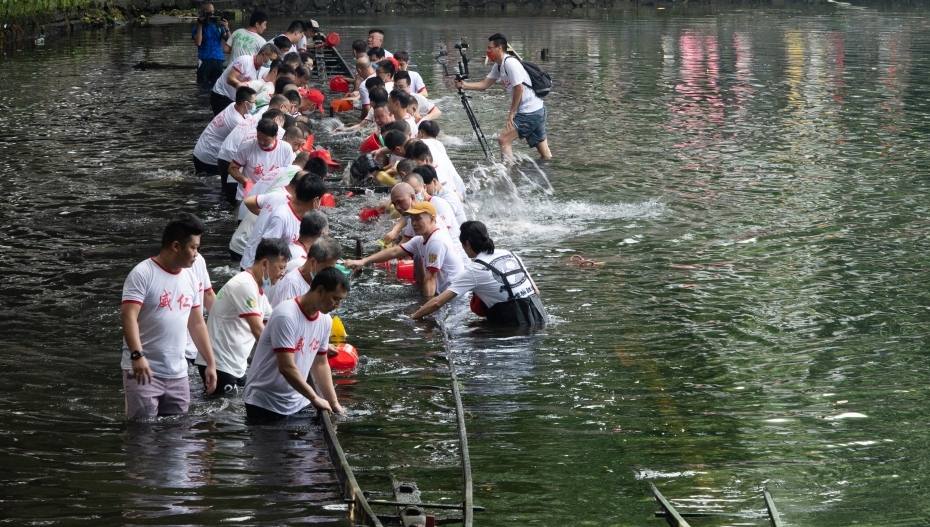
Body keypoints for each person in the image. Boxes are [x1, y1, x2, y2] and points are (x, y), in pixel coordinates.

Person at [120, 214, 217, 421]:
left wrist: (210, 362)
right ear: (175, 246)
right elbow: (128, 316)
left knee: (178, 437)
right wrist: (137, 356)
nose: (196, 254)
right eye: (194, 247)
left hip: (178, 373)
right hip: (144, 371)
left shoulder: (190, 276)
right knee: (142, 436)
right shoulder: (143, 274)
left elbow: (197, 323)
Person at [244, 267, 350, 422]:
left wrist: (334, 404)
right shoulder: (286, 315)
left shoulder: (325, 320)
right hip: (264, 402)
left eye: (340, 300)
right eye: (335, 298)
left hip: (298, 399)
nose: (337, 305)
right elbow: (286, 367)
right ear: (320, 290)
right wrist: (314, 397)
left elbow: (320, 363)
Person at [195, 238, 289, 395]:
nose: (282, 274)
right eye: (280, 268)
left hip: (235, 364)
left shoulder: (257, 289)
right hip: (220, 364)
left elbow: (274, 323)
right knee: (222, 416)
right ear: (265, 264)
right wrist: (286, 359)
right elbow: (259, 330)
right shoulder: (244, 285)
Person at [412, 221, 546, 327]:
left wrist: (413, 317)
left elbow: (437, 303)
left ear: (467, 244)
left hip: (515, 326)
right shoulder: (510, 254)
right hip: (539, 316)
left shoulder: (475, 270)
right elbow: (536, 291)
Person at [455, 33, 551, 162]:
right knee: (545, 155)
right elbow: (485, 84)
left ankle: (507, 174)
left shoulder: (510, 63)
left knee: (503, 139)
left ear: (499, 48)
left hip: (529, 112)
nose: (487, 51)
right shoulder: (499, 65)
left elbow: (519, 88)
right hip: (537, 110)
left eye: (490, 48)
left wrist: (512, 113)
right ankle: (550, 173)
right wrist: (464, 85)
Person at [346, 201, 465, 297]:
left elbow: (430, 280)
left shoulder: (436, 241)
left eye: (418, 219)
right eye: (412, 219)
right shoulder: (420, 240)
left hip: (454, 297)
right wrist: (363, 261)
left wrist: (424, 312)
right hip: (443, 293)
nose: (414, 223)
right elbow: (394, 251)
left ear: (432, 219)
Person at [241, 174, 326, 269]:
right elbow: (268, 250)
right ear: (316, 201)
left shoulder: (303, 216)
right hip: (256, 269)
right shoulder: (281, 216)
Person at [228, 118, 296, 202]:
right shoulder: (247, 147)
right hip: (247, 196)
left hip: (272, 196)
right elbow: (232, 168)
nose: (261, 142)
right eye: (259, 138)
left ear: (275, 136)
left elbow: (288, 175)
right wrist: (245, 180)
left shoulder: (286, 149)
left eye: (266, 140)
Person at [193, 85, 256, 175]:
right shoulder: (236, 122)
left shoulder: (232, 105)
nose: (255, 105)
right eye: (253, 102)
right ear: (245, 104)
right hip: (207, 159)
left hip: (199, 151)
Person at [269, 236, 342, 307]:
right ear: (313, 262)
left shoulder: (317, 283)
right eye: (327, 268)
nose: (330, 273)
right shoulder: (292, 284)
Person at [212, 42, 281, 115]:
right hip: (221, 94)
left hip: (235, 98)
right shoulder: (245, 61)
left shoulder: (262, 69)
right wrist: (242, 86)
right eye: (271, 59)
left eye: (274, 61)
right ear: (263, 54)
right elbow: (230, 79)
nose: (271, 62)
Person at [416, 120, 466, 198]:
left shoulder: (421, 143)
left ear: (421, 133)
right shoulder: (439, 144)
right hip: (457, 186)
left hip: (441, 186)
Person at [192, 2, 229, 90]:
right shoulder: (198, 27)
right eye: (208, 12)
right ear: (203, 13)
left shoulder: (218, 25)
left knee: (217, 87)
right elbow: (198, 43)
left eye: (212, 12)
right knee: (202, 87)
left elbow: (229, 41)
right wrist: (200, 24)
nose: (211, 14)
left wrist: (227, 28)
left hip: (218, 60)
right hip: (205, 60)